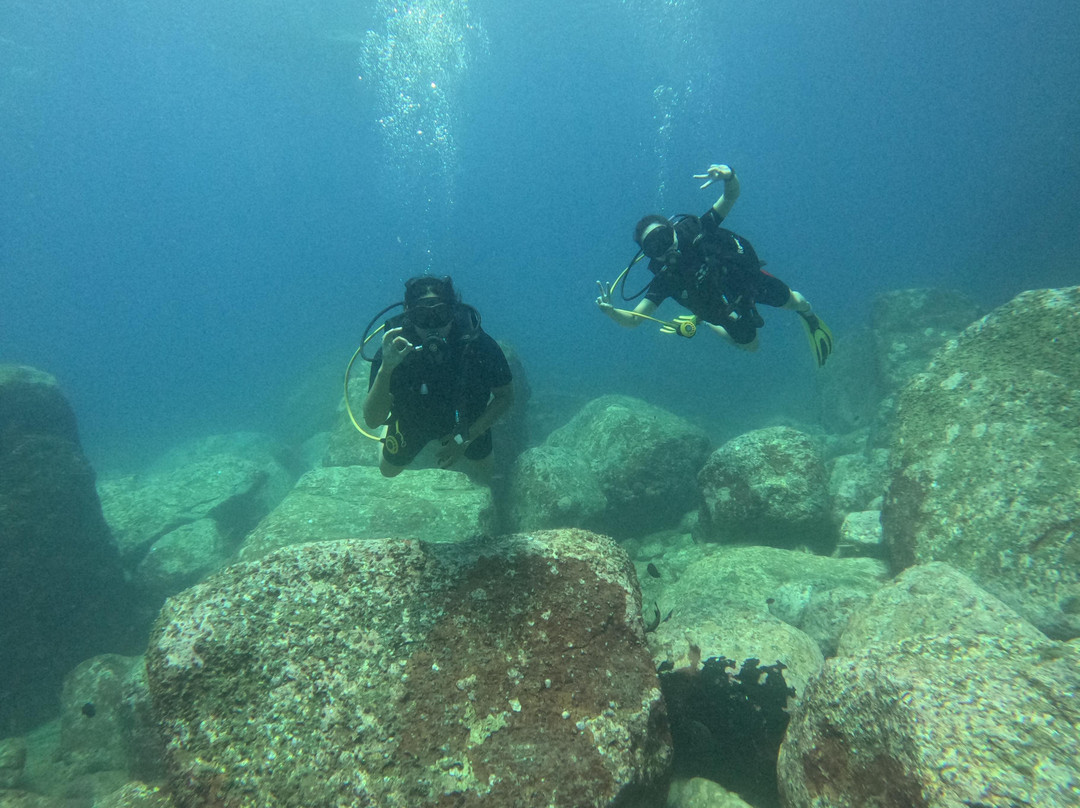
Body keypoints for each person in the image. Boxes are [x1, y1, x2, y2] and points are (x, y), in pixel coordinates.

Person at [596, 164, 833, 366]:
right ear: (648, 255)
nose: (665, 249)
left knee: (796, 302)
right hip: (716, 306)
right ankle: (706, 321)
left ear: (673, 230)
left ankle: (810, 319)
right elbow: (635, 319)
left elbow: (730, 196)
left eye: (665, 239)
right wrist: (612, 312)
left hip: (744, 281)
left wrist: (729, 176)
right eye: (655, 248)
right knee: (751, 347)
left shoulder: (697, 229)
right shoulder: (665, 279)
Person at [363, 275, 514, 480]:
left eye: (440, 314)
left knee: (485, 472)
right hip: (415, 418)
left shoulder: (476, 343)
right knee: (387, 471)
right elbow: (372, 420)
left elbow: (505, 395)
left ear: (452, 312)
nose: (432, 325)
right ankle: (388, 431)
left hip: (467, 419)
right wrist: (386, 369)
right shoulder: (394, 348)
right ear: (409, 315)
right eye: (422, 316)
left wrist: (467, 438)